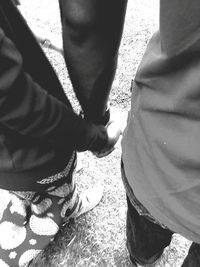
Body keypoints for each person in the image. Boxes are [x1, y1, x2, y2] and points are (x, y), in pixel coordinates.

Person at [59, 0, 200, 266]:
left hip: (159, 159)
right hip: (162, 163)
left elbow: (85, 17)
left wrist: (96, 121)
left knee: (143, 245)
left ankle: (142, 260)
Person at [0, 1, 121, 266]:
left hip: (7, 159)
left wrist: (41, 38)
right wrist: (97, 138)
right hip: (34, 153)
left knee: (21, 189)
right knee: (55, 187)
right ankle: (68, 206)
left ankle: (28, 200)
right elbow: (23, 106)